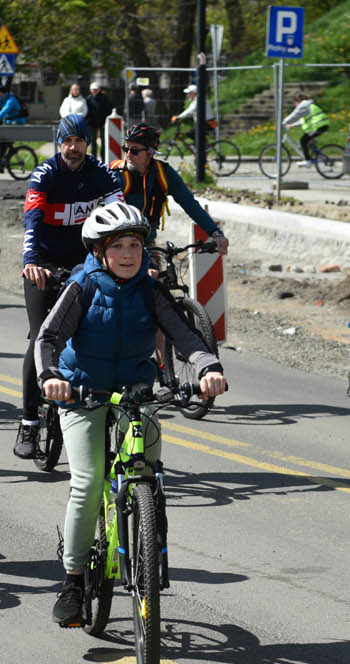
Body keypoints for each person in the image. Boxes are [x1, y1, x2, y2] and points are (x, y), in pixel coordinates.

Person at [34, 201, 227, 626]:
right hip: (82, 391)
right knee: (87, 482)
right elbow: (47, 338)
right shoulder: (83, 285)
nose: (127, 254)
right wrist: (51, 377)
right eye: (117, 245)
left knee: (149, 472)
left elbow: (184, 334)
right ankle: (72, 579)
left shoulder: (149, 289)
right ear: (100, 251)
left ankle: (150, 541)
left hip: (136, 391)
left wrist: (208, 366)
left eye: (134, 245)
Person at [14, 113, 123, 460]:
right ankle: (29, 422)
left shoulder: (102, 172)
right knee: (39, 338)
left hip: (85, 266)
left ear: (88, 144)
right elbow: (32, 217)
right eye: (67, 141)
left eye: (79, 141)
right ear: (59, 142)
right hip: (43, 266)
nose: (73, 148)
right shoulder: (45, 173)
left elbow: (119, 214)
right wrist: (31, 261)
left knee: (100, 332)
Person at [111, 122, 228, 258]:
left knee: (156, 276)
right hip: (116, 244)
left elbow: (189, 204)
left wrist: (215, 233)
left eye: (135, 150)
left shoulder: (163, 173)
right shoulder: (116, 173)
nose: (128, 155)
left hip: (147, 243)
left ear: (150, 152)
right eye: (126, 149)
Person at [281, 91, 330, 165]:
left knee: (303, 140)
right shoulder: (308, 105)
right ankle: (320, 158)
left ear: (297, 101)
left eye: (294, 103)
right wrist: (292, 125)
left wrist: (284, 122)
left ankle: (308, 160)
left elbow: (294, 115)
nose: (295, 105)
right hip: (320, 126)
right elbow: (302, 121)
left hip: (318, 126)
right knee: (309, 143)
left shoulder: (303, 105)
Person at [85, 82, 114, 160]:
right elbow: (86, 111)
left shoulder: (104, 98)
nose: (94, 91)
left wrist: (106, 121)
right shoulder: (88, 99)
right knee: (93, 142)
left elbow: (108, 109)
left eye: (95, 89)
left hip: (103, 123)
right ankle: (94, 158)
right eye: (92, 89)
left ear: (99, 90)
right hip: (92, 123)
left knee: (103, 142)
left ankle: (103, 158)